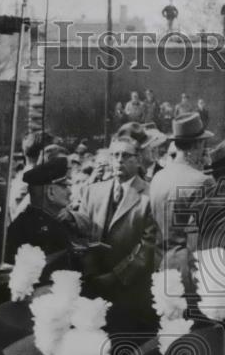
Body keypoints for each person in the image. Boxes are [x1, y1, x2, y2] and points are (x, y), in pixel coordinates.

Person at [72, 134, 157, 329]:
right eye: (115, 155)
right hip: (93, 288)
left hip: (129, 292)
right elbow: (82, 235)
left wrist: (115, 277)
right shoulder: (92, 192)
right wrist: (91, 272)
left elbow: (147, 246)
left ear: (138, 160)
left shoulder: (149, 196)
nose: (119, 161)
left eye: (126, 156)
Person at [148, 112, 215, 268]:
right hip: (188, 267)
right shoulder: (202, 181)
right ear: (197, 145)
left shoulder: (158, 177)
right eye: (203, 143)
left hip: (159, 263)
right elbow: (210, 235)